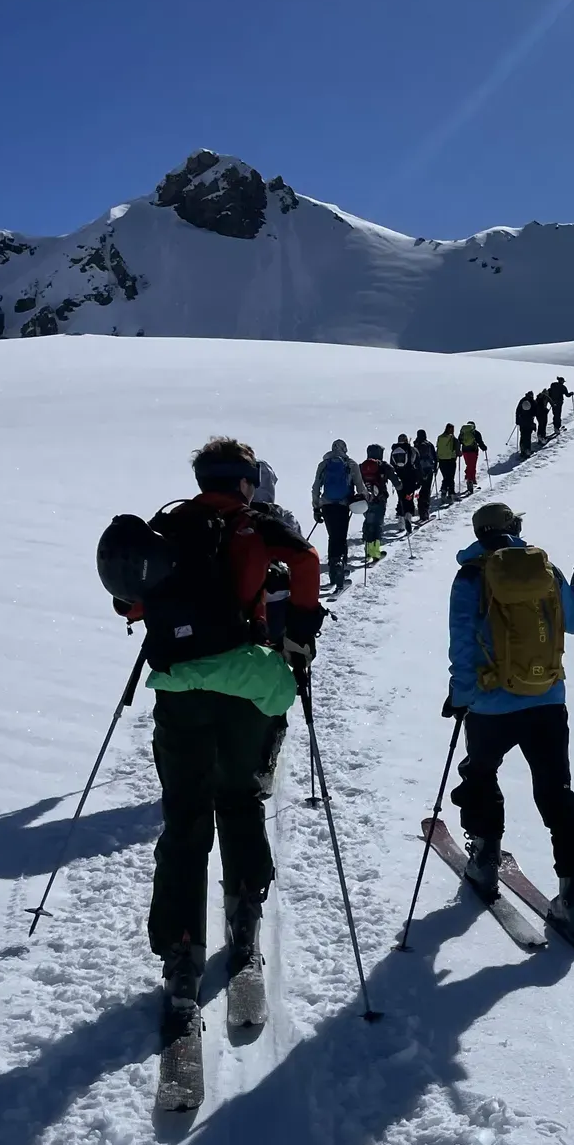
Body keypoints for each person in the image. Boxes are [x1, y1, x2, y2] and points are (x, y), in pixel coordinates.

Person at [96, 437, 323, 1034]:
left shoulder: (170, 523)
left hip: (179, 691)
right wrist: (300, 632)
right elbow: (304, 565)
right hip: (246, 685)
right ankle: (244, 919)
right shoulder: (257, 523)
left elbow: (132, 604)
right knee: (240, 798)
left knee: (185, 816)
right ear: (246, 478)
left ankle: (180, 951)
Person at [442, 499, 574, 939]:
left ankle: (483, 861)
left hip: (489, 705)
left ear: (480, 534)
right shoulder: (546, 570)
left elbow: (462, 644)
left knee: (479, 775)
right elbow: (573, 623)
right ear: (514, 527)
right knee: (556, 793)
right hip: (547, 700)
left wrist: (461, 697)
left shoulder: (469, 578)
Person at [311, 438, 362, 589]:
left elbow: (315, 487)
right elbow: (360, 486)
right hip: (343, 505)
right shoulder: (350, 464)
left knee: (332, 537)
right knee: (341, 537)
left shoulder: (324, 464)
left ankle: (334, 573)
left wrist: (316, 507)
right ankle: (340, 570)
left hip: (326, 506)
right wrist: (364, 500)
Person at [360, 444, 396, 562]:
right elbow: (395, 479)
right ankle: (375, 552)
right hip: (380, 499)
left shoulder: (361, 466)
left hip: (365, 500)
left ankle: (367, 550)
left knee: (368, 522)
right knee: (377, 524)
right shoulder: (383, 466)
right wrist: (399, 487)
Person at [391, 433, 419, 531]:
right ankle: (408, 516)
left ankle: (401, 521)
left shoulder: (394, 450)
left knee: (401, 499)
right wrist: (419, 479)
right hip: (410, 478)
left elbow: (391, 466)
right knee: (409, 498)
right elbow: (417, 464)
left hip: (398, 478)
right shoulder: (412, 450)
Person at [413, 429, 437, 522]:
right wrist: (434, 467)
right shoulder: (429, 444)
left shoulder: (415, 445)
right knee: (426, 491)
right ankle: (424, 512)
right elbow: (434, 456)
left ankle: (419, 509)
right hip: (428, 470)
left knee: (419, 490)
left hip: (418, 471)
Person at [457, 419, 486, 493]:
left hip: (465, 451)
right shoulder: (475, 433)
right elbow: (480, 442)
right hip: (473, 451)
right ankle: (470, 480)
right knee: (472, 465)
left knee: (469, 465)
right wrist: (484, 448)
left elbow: (459, 441)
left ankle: (471, 478)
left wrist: (458, 450)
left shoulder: (462, 433)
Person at [434, 423, 460, 506]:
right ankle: (451, 493)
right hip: (451, 460)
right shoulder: (453, 438)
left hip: (442, 460)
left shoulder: (440, 437)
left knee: (446, 477)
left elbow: (437, 448)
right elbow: (458, 449)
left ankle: (444, 491)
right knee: (450, 477)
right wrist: (459, 453)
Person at [515, 390, 536, 459]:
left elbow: (517, 411)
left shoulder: (522, 400)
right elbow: (535, 411)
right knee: (528, 436)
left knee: (523, 436)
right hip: (529, 422)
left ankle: (522, 450)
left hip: (522, 422)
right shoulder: (532, 402)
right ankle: (527, 450)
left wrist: (517, 420)